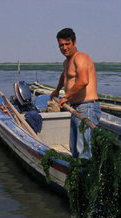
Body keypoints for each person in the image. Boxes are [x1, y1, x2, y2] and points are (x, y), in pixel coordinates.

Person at [49, 28, 101, 159]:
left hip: (86, 107)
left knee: (84, 150)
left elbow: (83, 81)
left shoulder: (81, 58)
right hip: (75, 107)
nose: (64, 48)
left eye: (67, 44)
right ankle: (78, 174)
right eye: (61, 45)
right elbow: (65, 75)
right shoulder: (66, 62)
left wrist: (66, 96)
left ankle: (86, 177)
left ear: (74, 43)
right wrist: (57, 89)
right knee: (74, 148)